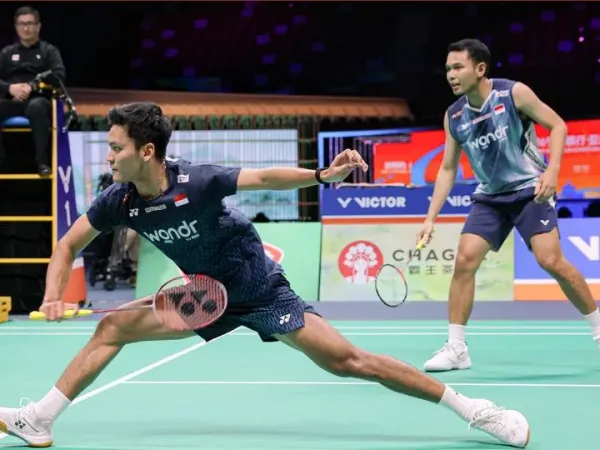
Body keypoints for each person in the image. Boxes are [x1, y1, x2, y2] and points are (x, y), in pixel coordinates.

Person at [0, 102, 530, 448]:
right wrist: (51, 295)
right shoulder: (119, 201)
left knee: (349, 361)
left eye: (116, 148)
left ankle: (475, 409)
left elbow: (265, 177)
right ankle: (41, 418)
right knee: (110, 327)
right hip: (204, 295)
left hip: (259, 289)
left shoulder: (197, 181)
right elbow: (67, 245)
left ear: (146, 152)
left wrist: (322, 174)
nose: (109, 157)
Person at [419, 38, 600, 372]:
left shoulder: (513, 93)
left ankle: (598, 327)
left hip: (530, 190)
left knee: (550, 260)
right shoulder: (454, 115)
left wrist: (552, 171)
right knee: (464, 260)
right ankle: (457, 348)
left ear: (480, 69)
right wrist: (430, 218)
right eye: (447, 69)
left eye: (458, 67)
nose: (451, 75)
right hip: (490, 197)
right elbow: (447, 168)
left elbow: (558, 125)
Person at [0, 6, 66, 175]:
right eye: (22, 24)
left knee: (37, 107)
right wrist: (10, 88)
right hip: (11, 101)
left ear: (38, 26)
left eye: (30, 23)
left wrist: (32, 86)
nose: (26, 28)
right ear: (16, 27)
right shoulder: (7, 53)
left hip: (38, 100)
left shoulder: (49, 51)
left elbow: (58, 76)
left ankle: (42, 163)